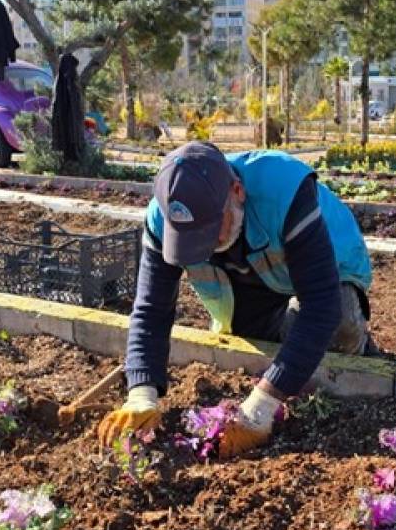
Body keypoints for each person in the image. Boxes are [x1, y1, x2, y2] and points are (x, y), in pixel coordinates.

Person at [97, 141, 375, 457]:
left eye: (210, 230)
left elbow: (322, 304)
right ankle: (289, 337)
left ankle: (360, 351)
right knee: (256, 342)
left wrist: (261, 405)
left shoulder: (283, 190)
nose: (202, 245)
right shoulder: (164, 217)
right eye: (188, 238)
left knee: (338, 324)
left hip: (328, 266)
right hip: (250, 273)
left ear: (237, 192)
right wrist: (141, 394)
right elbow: (151, 310)